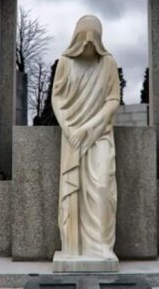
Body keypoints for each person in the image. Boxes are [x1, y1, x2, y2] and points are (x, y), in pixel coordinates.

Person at [52, 15, 120, 263]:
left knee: (102, 187)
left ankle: (101, 247)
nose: (88, 46)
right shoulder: (64, 63)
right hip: (73, 137)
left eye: (93, 42)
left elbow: (113, 99)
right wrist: (70, 128)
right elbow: (57, 98)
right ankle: (74, 245)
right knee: (74, 191)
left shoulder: (108, 63)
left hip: (99, 134)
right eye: (84, 41)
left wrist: (90, 126)